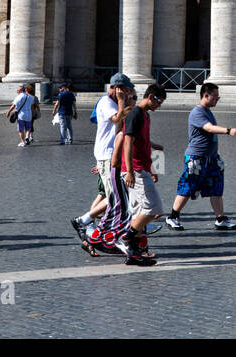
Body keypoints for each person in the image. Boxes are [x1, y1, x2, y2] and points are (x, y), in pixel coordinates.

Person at [167, 82, 236, 230]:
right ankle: (173, 216)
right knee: (188, 187)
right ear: (206, 95)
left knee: (216, 187)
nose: (217, 100)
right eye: (215, 97)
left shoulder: (208, 111)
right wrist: (229, 131)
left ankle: (220, 218)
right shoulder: (197, 112)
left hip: (211, 158)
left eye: (218, 97)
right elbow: (208, 128)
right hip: (196, 157)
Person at [71, 74, 131, 240]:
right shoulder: (106, 103)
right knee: (114, 197)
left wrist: (128, 102)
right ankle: (85, 221)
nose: (127, 93)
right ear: (116, 88)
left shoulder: (114, 102)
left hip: (114, 154)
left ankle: (119, 226)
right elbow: (117, 120)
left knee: (118, 195)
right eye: (125, 90)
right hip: (107, 154)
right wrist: (121, 101)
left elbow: (123, 124)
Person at [118, 84, 168, 265]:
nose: (159, 106)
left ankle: (135, 253)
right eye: (159, 101)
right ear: (151, 97)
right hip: (135, 171)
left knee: (139, 211)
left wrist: (153, 168)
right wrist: (130, 171)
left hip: (142, 169)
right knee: (153, 208)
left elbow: (144, 143)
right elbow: (127, 143)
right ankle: (126, 238)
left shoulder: (145, 115)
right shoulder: (135, 114)